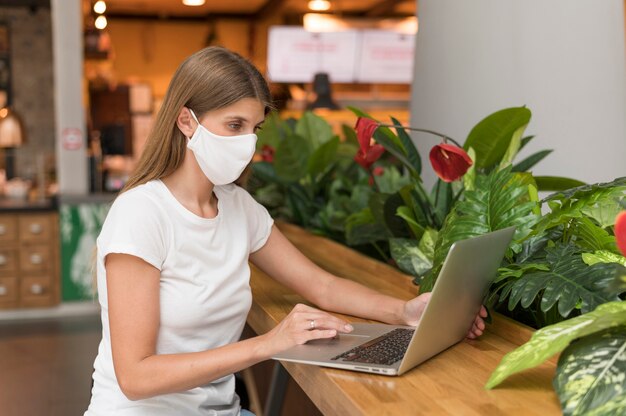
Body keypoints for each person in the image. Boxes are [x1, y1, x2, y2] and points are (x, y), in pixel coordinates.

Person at [84, 46, 487, 416]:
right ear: (186, 121)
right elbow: (135, 378)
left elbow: (322, 286)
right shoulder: (141, 214)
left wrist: (405, 312)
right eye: (234, 124)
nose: (247, 143)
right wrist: (269, 343)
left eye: (255, 128)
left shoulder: (239, 208)